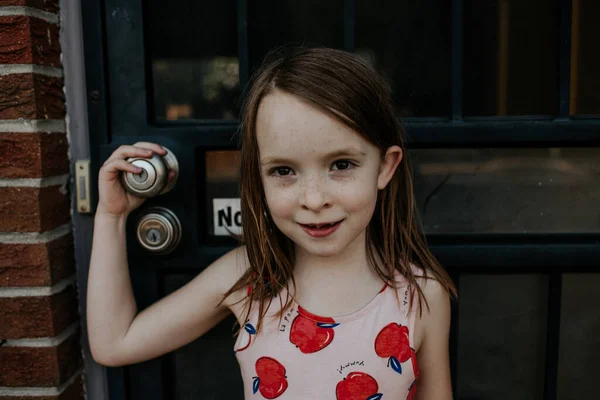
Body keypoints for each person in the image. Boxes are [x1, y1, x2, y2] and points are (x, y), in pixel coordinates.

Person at [87, 47, 456, 400]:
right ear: (258, 179)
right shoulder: (248, 278)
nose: (314, 199)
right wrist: (112, 217)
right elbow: (115, 342)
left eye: (341, 165)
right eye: (284, 171)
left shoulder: (422, 296)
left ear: (385, 167)